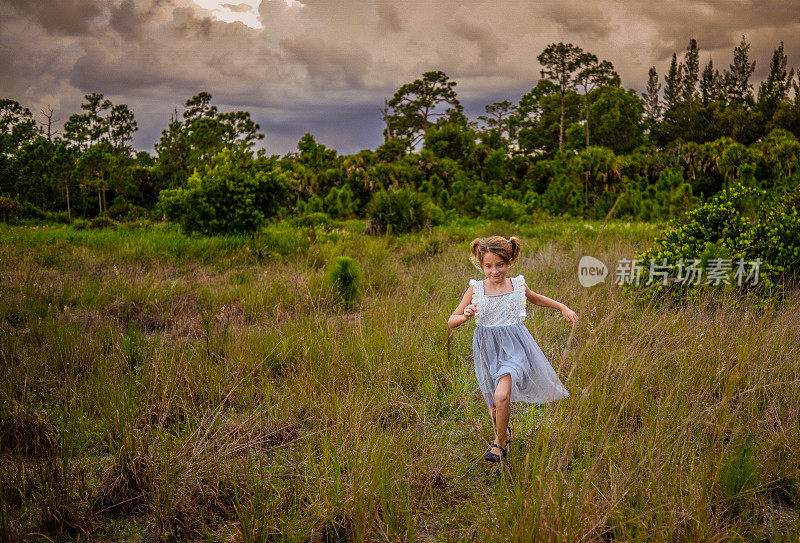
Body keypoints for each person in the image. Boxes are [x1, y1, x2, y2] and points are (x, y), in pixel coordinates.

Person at [447, 236, 578, 463]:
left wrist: (562, 307)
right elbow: (451, 320)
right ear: (481, 264)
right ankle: (504, 433)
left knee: (501, 395)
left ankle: (499, 444)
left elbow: (536, 299)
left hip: (515, 350)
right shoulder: (476, 289)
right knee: (495, 409)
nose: (494, 271)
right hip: (486, 352)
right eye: (488, 266)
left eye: (500, 265)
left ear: (509, 262)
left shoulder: (516, 285)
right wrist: (465, 315)